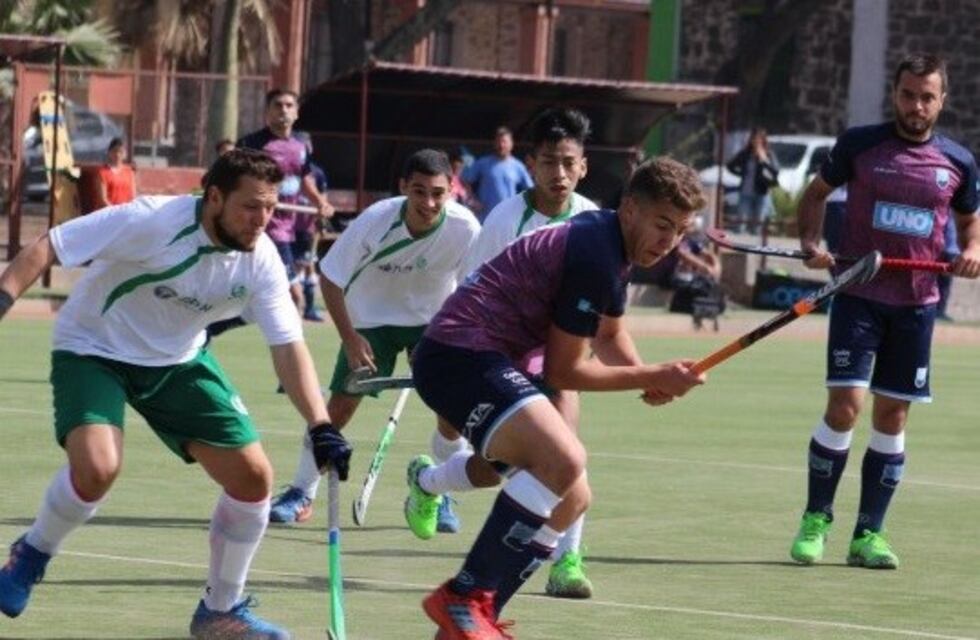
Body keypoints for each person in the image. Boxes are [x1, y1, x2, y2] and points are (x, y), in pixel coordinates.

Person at [0, 148, 353, 639]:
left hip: (177, 360)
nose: (262, 220)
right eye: (251, 206)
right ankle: (32, 552)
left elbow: (289, 347)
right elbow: (49, 246)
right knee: (99, 467)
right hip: (93, 347)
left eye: (271, 208)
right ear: (214, 198)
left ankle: (219, 612)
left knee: (254, 478)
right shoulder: (153, 220)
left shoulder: (261, 259)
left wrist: (320, 425)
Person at [404, 156, 708, 638]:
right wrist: (654, 374)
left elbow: (607, 336)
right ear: (630, 209)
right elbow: (565, 369)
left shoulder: (612, 246)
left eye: (680, 230)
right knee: (565, 459)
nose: (669, 242)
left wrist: (646, 376)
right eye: (662, 225)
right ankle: (465, 595)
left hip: (489, 360)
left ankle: (470, 622)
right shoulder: (595, 253)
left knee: (572, 498)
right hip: (457, 354)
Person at [790, 53, 980, 570]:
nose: (916, 105)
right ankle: (816, 518)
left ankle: (868, 534)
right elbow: (814, 195)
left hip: (917, 306)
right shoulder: (859, 145)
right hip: (857, 294)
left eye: (927, 96)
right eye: (908, 94)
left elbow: (969, 225)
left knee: (892, 416)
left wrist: (972, 252)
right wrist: (811, 241)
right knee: (845, 405)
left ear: (942, 100)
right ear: (894, 95)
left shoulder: (958, 162)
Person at [416, 107, 601, 601]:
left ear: (583, 165)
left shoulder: (593, 220)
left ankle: (566, 560)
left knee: (568, 460)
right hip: (497, 356)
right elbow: (473, 295)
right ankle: (431, 481)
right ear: (530, 164)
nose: (557, 173)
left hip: (555, 359)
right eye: (547, 162)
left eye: (568, 162)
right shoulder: (504, 219)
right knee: (494, 468)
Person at [268, 149, 480, 532]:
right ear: (403, 188)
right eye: (419, 192)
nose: (428, 202)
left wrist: (451, 338)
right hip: (369, 322)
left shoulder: (465, 228)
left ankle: (439, 491)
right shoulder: (376, 220)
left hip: (432, 325)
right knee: (340, 409)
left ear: (452, 189)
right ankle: (301, 491)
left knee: (451, 413)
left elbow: (472, 289)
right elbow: (330, 278)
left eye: (437, 193)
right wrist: (350, 339)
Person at [238, 89, 334, 313]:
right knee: (293, 295)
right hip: (264, 227)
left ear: (297, 112)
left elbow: (305, 181)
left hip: (289, 228)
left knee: (257, 295)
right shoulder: (252, 144)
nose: (284, 110)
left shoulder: (300, 147)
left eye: (289, 105)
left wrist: (321, 203)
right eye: (278, 105)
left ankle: (213, 329)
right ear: (267, 112)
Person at [461, 126, 533, 221]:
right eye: (498, 142)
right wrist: (472, 200)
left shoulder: (518, 166)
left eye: (504, 142)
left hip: (509, 220)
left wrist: (522, 208)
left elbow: (531, 191)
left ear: (511, 144)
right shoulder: (483, 163)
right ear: (494, 143)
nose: (501, 145)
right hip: (485, 219)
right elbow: (465, 180)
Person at [726, 127, 780, 234]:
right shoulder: (746, 154)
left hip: (762, 192)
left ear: (763, 140)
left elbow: (775, 171)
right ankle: (740, 245)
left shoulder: (768, 154)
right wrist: (741, 174)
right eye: (754, 139)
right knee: (742, 221)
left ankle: (755, 246)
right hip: (746, 191)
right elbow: (730, 165)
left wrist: (764, 160)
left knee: (758, 223)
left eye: (759, 139)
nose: (756, 142)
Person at [94, 137, 136, 208]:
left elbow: (133, 196)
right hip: (109, 214)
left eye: (120, 152)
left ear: (125, 154)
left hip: (126, 213)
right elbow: (103, 199)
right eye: (115, 151)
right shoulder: (103, 172)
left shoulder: (129, 172)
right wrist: (114, 212)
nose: (117, 154)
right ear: (109, 153)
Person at [936, 214, 960, 321]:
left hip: (952, 250)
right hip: (939, 248)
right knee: (932, 280)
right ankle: (933, 309)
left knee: (945, 283)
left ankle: (940, 311)